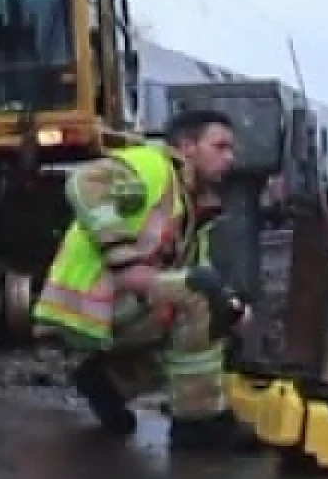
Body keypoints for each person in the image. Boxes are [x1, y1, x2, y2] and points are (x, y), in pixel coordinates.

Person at [33, 107, 260, 453]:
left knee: (218, 313)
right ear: (187, 147)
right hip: (91, 301)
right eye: (220, 147)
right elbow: (86, 183)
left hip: (120, 307)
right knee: (200, 297)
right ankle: (198, 426)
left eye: (231, 149)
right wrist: (124, 258)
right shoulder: (152, 168)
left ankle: (109, 383)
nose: (230, 158)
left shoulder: (192, 205)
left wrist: (233, 308)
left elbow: (196, 274)